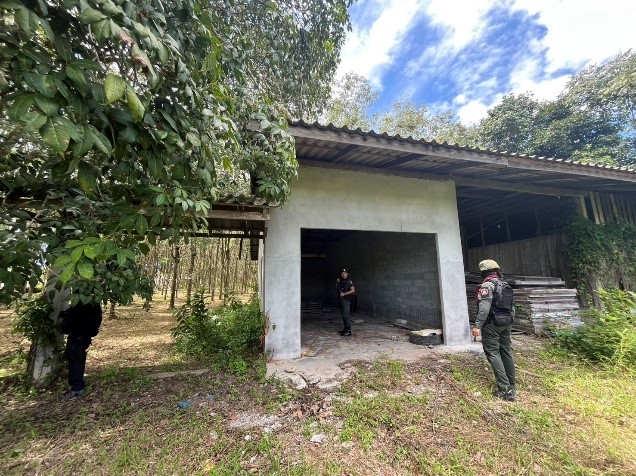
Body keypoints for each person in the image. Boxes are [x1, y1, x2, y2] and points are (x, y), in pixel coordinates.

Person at [471, 259, 516, 401]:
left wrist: (477, 325)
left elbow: (484, 308)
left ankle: (505, 389)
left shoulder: (487, 286)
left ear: (483, 272)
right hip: (506, 323)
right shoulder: (505, 285)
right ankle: (512, 385)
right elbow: (512, 308)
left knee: (493, 353)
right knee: (506, 352)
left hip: (492, 324)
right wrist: (509, 322)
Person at [60, 302, 103, 400]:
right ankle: (77, 386)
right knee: (78, 359)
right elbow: (97, 322)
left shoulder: (78, 303)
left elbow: (68, 322)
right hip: (85, 336)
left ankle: (77, 388)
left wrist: (64, 324)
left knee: (75, 360)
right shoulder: (94, 303)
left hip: (77, 336)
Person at [336, 268, 355, 336]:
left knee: (346, 315)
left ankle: (348, 331)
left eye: (345, 273)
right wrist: (337, 283)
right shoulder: (341, 281)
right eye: (342, 273)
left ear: (347, 274)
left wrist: (344, 294)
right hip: (341, 300)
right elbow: (338, 289)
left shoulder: (348, 281)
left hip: (346, 300)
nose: (343, 274)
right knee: (343, 315)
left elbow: (353, 290)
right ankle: (345, 329)